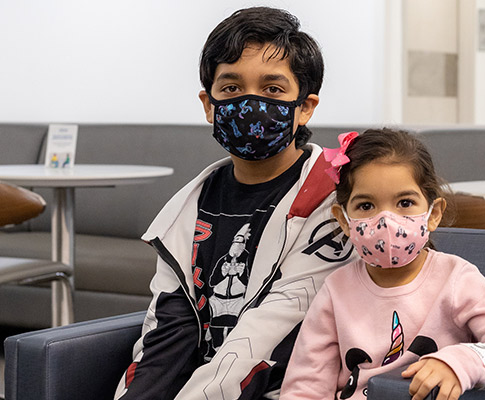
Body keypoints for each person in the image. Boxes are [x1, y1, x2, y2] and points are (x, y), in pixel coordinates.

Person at [114, 7, 355, 400]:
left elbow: (268, 341)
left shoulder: (333, 204)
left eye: (273, 90)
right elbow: (166, 338)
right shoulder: (186, 211)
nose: (249, 104)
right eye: (231, 89)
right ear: (209, 104)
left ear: (306, 107)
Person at [280, 129, 485, 400]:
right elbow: (305, 388)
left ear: (433, 214)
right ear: (344, 220)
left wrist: (460, 362)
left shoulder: (456, 279)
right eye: (366, 206)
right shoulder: (336, 289)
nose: (386, 221)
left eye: (405, 203)